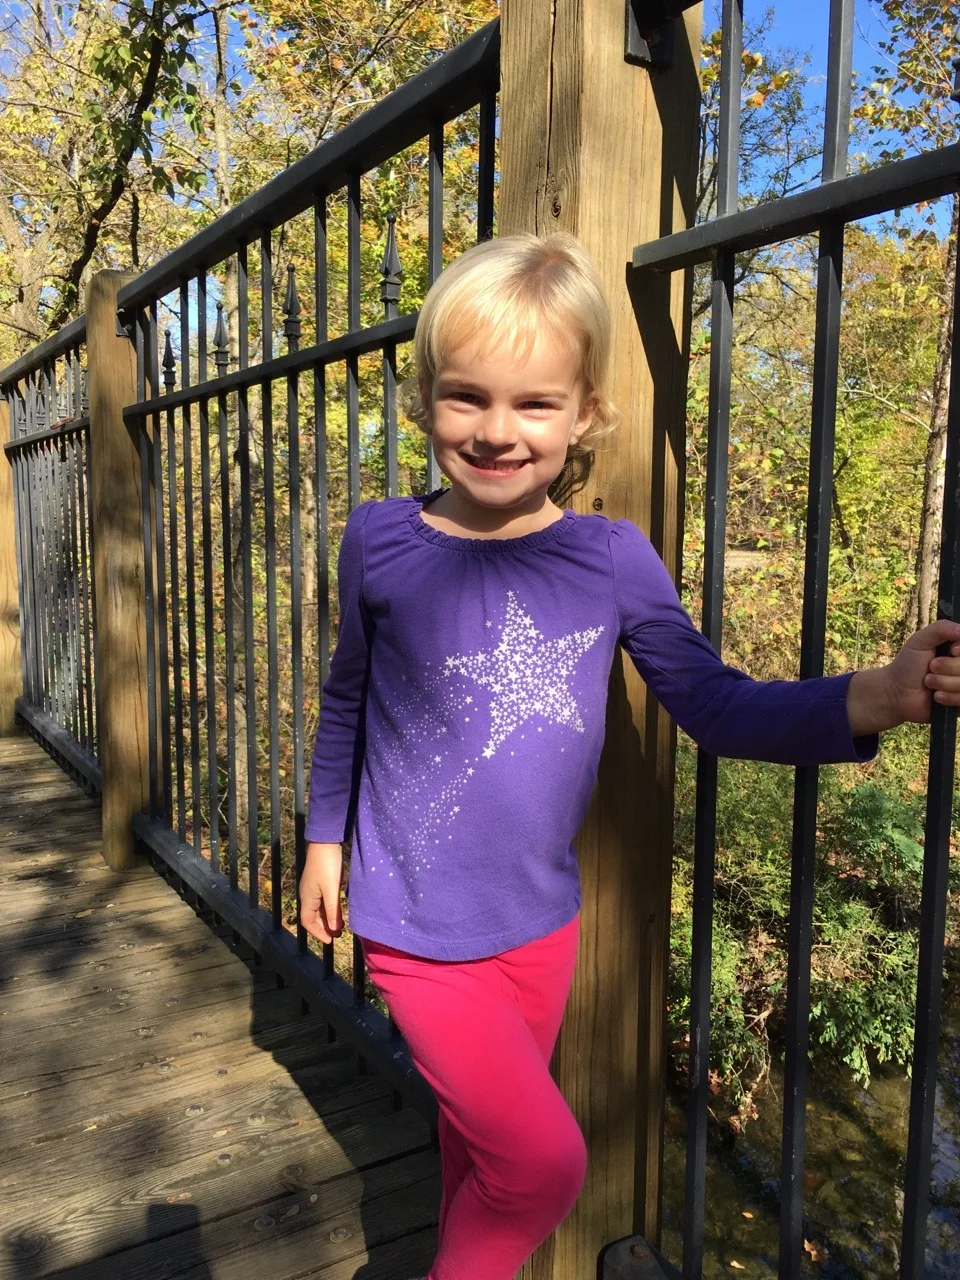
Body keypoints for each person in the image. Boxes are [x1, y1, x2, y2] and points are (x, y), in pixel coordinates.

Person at [299, 232, 960, 1280]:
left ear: (586, 413)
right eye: (466, 396)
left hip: (539, 926)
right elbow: (348, 701)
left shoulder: (609, 558)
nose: (496, 430)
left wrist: (875, 694)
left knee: (481, 1148)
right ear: (425, 396)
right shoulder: (380, 539)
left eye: (534, 403)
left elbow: (713, 702)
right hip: (412, 923)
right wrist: (323, 837)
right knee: (544, 1162)